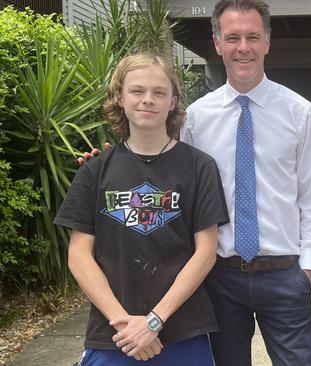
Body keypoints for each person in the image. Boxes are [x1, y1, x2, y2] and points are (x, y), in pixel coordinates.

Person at [180, 0, 311, 365]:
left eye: (252, 36)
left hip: (285, 275)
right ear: (217, 42)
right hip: (220, 277)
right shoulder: (197, 117)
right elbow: (181, 191)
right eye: (232, 37)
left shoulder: (298, 111)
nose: (243, 47)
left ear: (267, 41)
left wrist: (307, 270)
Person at [55, 53, 229, 365]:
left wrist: (153, 322)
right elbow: (79, 255)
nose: (148, 100)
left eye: (159, 92)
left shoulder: (200, 167)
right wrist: (125, 324)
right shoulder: (95, 170)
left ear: (173, 100)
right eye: (137, 91)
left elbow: (205, 252)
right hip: (114, 334)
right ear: (119, 97)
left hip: (184, 329)